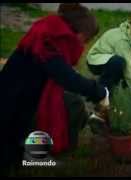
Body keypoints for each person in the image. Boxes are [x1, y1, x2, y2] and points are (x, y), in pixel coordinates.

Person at [0, 3, 109, 174]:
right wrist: (99, 91)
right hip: (10, 106)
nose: (84, 45)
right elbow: (68, 78)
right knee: (71, 104)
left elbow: (62, 73)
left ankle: (26, 153)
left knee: (69, 101)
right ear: (79, 32)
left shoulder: (50, 33)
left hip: (22, 100)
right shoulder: (48, 43)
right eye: (86, 39)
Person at [87, 14, 131, 110]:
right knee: (118, 63)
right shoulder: (122, 40)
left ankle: (122, 94)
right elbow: (129, 68)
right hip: (96, 61)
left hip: (115, 59)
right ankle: (99, 97)